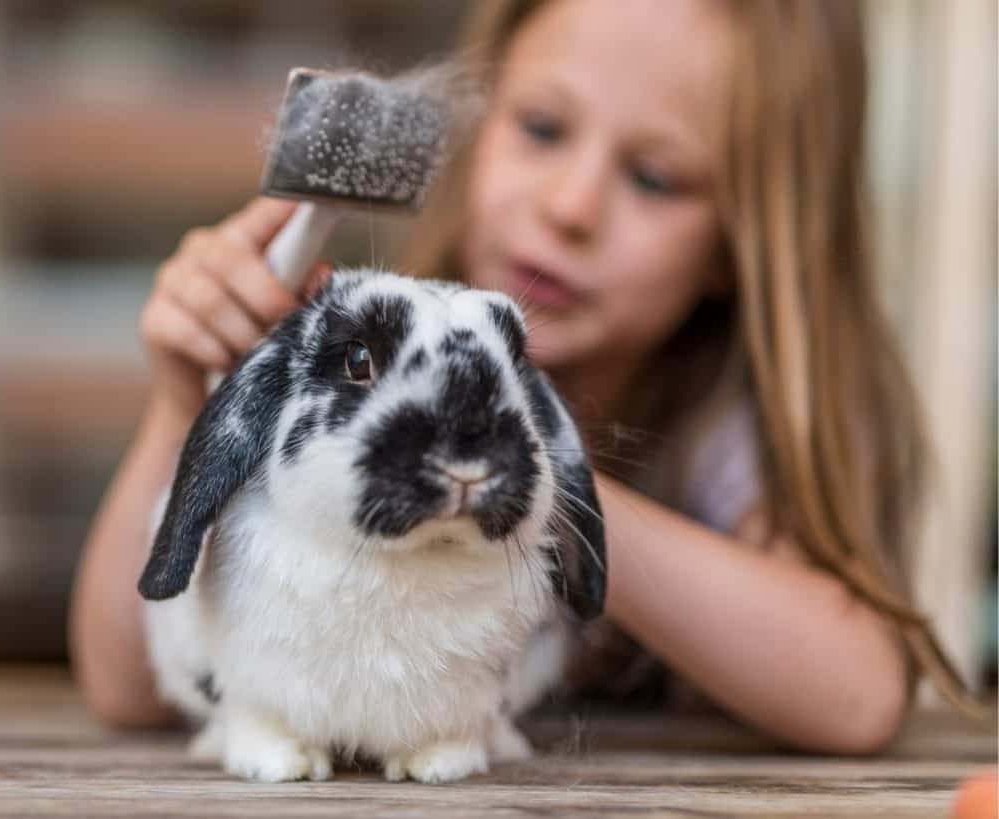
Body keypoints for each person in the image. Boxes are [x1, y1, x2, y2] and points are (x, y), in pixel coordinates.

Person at [69, 0, 980, 751]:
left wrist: (523, 470)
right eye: (542, 128)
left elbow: (855, 696)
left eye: (656, 179)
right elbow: (125, 688)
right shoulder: (339, 373)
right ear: (477, 126)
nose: (571, 206)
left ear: (739, 247)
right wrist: (186, 399)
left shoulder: (725, 424)